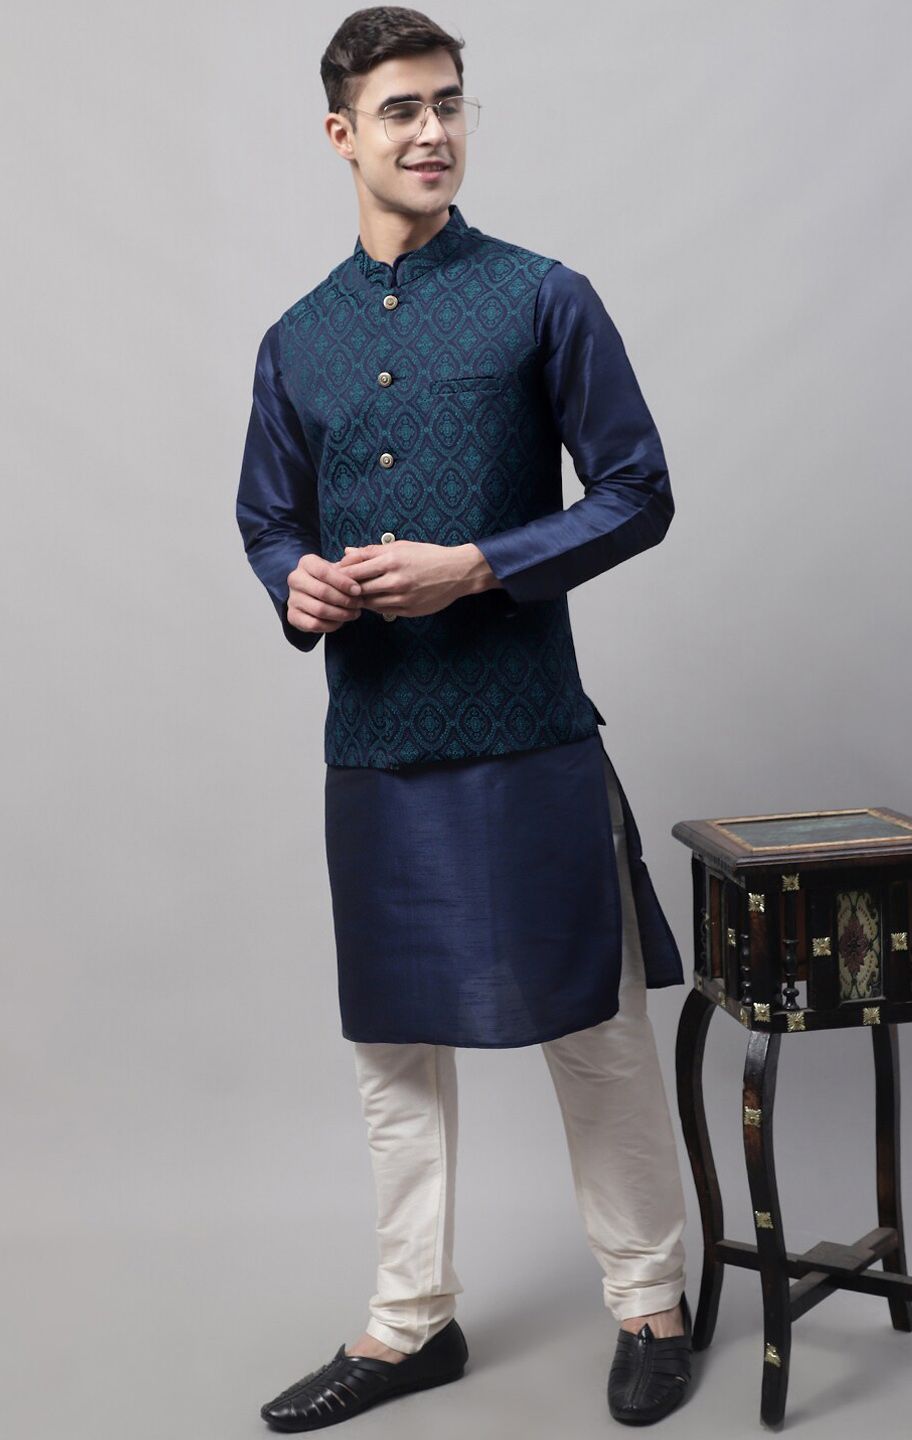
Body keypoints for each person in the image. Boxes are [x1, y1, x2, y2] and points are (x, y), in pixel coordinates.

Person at [236, 6, 694, 1428]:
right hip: (376, 738)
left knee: (592, 1028)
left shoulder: (544, 296)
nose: (433, 131)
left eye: (449, 104)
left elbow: (638, 491)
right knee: (393, 1052)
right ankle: (407, 1327)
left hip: (529, 724)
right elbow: (265, 519)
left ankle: (652, 1304)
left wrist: (481, 565)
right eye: (401, 110)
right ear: (341, 134)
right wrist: (295, 583)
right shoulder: (296, 340)